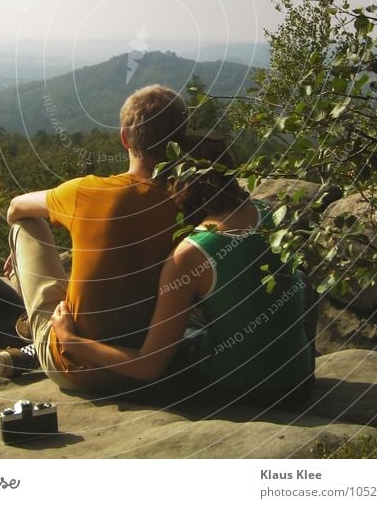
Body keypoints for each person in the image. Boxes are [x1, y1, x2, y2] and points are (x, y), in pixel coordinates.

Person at [51, 137, 316, 406]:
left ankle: (29, 352)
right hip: (300, 384)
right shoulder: (269, 214)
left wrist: (71, 340)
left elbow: (149, 367)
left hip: (236, 393)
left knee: (165, 343)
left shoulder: (190, 255)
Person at [0, 84, 188, 392]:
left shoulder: (87, 192)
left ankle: (38, 338)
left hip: (74, 367)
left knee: (25, 227)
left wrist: (22, 259)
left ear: (124, 137)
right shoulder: (191, 202)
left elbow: (16, 208)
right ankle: (29, 346)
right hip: (156, 358)